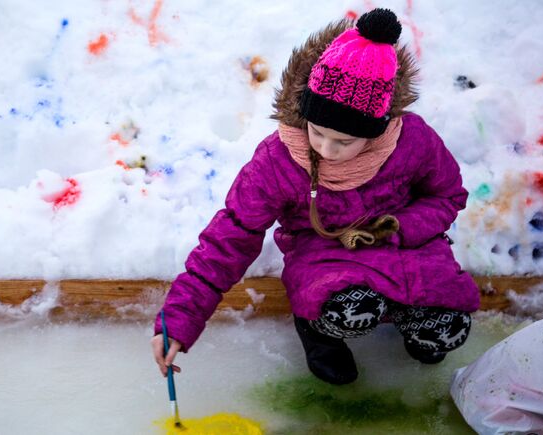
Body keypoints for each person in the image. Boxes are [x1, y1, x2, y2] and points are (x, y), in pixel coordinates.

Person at [151, 8, 480, 385]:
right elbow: (231, 237)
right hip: (324, 254)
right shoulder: (277, 160)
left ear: (377, 130)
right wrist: (177, 323)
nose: (326, 149)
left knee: (447, 325)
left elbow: (447, 195)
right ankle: (319, 331)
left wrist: (400, 228)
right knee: (350, 308)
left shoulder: (412, 140)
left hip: (405, 247)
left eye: (344, 141)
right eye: (317, 131)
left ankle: (412, 321)